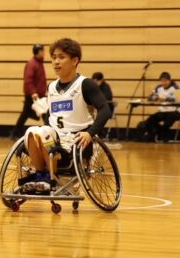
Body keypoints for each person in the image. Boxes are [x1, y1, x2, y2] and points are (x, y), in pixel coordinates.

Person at [19, 39, 112, 192]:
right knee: (31, 131)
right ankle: (41, 175)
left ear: (75, 61)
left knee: (44, 133)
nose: (56, 62)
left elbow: (105, 110)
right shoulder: (51, 87)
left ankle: (51, 178)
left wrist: (90, 133)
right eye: (54, 57)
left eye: (61, 57)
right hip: (54, 138)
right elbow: (50, 116)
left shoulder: (85, 84)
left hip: (75, 140)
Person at [11, 44, 47, 139]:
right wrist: (33, 92)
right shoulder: (32, 64)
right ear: (39, 51)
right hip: (33, 95)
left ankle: (15, 133)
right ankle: (49, 132)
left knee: (27, 114)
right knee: (43, 113)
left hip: (38, 94)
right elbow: (28, 80)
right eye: (43, 51)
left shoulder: (39, 63)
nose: (44, 53)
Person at [142, 72, 179, 142]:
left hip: (174, 111)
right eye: (162, 81)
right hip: (162, 111)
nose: (164, 83)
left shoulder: (175, 87)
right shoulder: (158, 87)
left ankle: (164, 135)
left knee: (167, 123)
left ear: (170, 80)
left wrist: (165, 99)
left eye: (165, 81)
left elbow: (177, 99)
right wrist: (153, 98)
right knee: (149, 121)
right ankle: (158, 132)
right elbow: (150, 97)